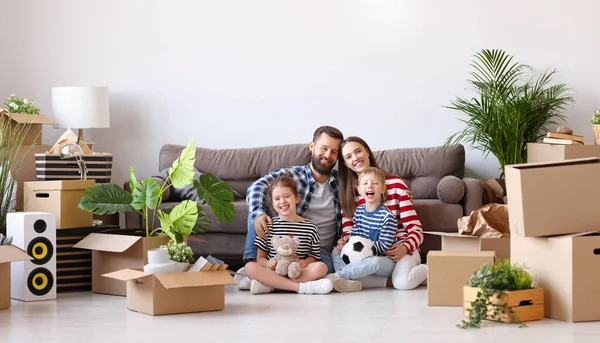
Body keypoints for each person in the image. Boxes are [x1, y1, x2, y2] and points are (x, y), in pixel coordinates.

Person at [237, 126, 344, 290]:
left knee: (322, 267)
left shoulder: (342, 182)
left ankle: (267, 281)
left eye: (334, 152)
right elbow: (256, 187)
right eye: (324, 148)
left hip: (315, 257)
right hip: (280, 253)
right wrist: (258, 214)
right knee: (260, 206)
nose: (328, 155)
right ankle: (273, 276)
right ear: (312, 146)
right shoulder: (293, 175)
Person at [337, 136, 427, 290]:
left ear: (367, 152)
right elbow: (349, 232)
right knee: (337, 258)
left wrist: (404, 248)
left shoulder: (396, 185)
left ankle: (432, 269)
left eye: (358, 151)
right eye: (349, 156)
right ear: (345, 164)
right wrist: (344, 241)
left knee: (403, 283)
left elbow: (416, 229)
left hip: (398, 249)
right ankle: (389, 280)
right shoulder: (349, 195)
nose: (355, 158)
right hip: (369, 254)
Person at [243, 174, 333, 295]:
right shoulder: (269, 225)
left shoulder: (311, 227)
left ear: (297, 198)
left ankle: (272, 285)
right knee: (249, 267)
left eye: (287, 196)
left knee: (321, 267)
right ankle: (300, 288)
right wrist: (267, 263)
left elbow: (313, 256)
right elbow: (260, 259)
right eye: (277, 199)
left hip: (297, 272)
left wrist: (305, 262)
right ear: (273, 204)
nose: (282, 201)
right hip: (275, 271)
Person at [328, 167, 398, 292]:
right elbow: (355, 235)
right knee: (335, 251)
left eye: (375, 183)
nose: (370, 186)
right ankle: (349, 283)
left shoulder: (387, 216)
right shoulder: (359, 211)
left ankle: (339, 276)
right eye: (365, 183)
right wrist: (347, 242)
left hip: (382, 260)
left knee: (374, 262)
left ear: (383, 189)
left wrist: (364, 249)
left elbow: (384, 246)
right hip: (359, 258)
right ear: (360, 190)